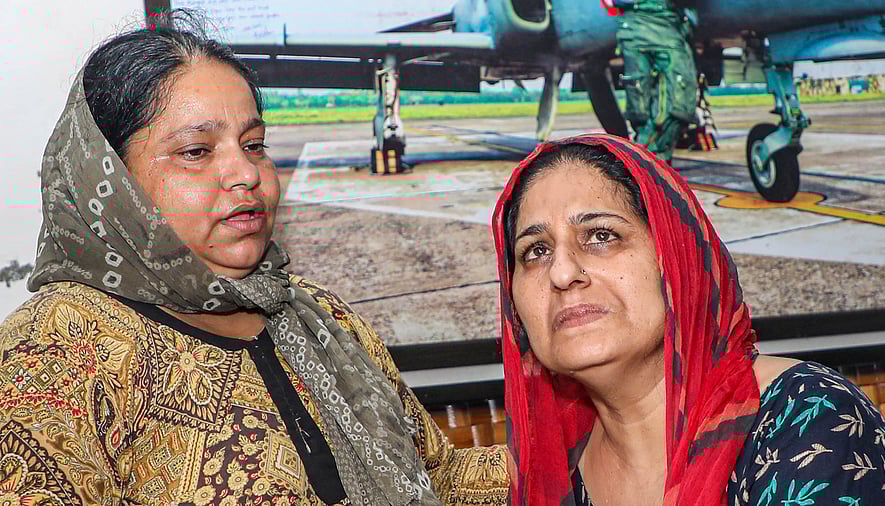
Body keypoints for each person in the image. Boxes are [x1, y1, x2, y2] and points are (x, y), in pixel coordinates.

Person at [0, 12, 507, 506]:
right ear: (107, 178)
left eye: (254, 145)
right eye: (196, 151)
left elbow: (438, 478)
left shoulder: (321, 316)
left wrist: (564, 455)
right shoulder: (55, 351)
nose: (246, 173)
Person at [491, 134, 885, 505]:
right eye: (536, 251)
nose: (562, 272)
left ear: (676, 257)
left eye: (601, 235)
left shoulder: (808, 418)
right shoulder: (550, 472)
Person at [611, 0, 698, 164]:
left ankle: (647, 162)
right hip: (646, 26)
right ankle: (646, 164)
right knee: (653, 109)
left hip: (666, 25)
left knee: (677, 106)